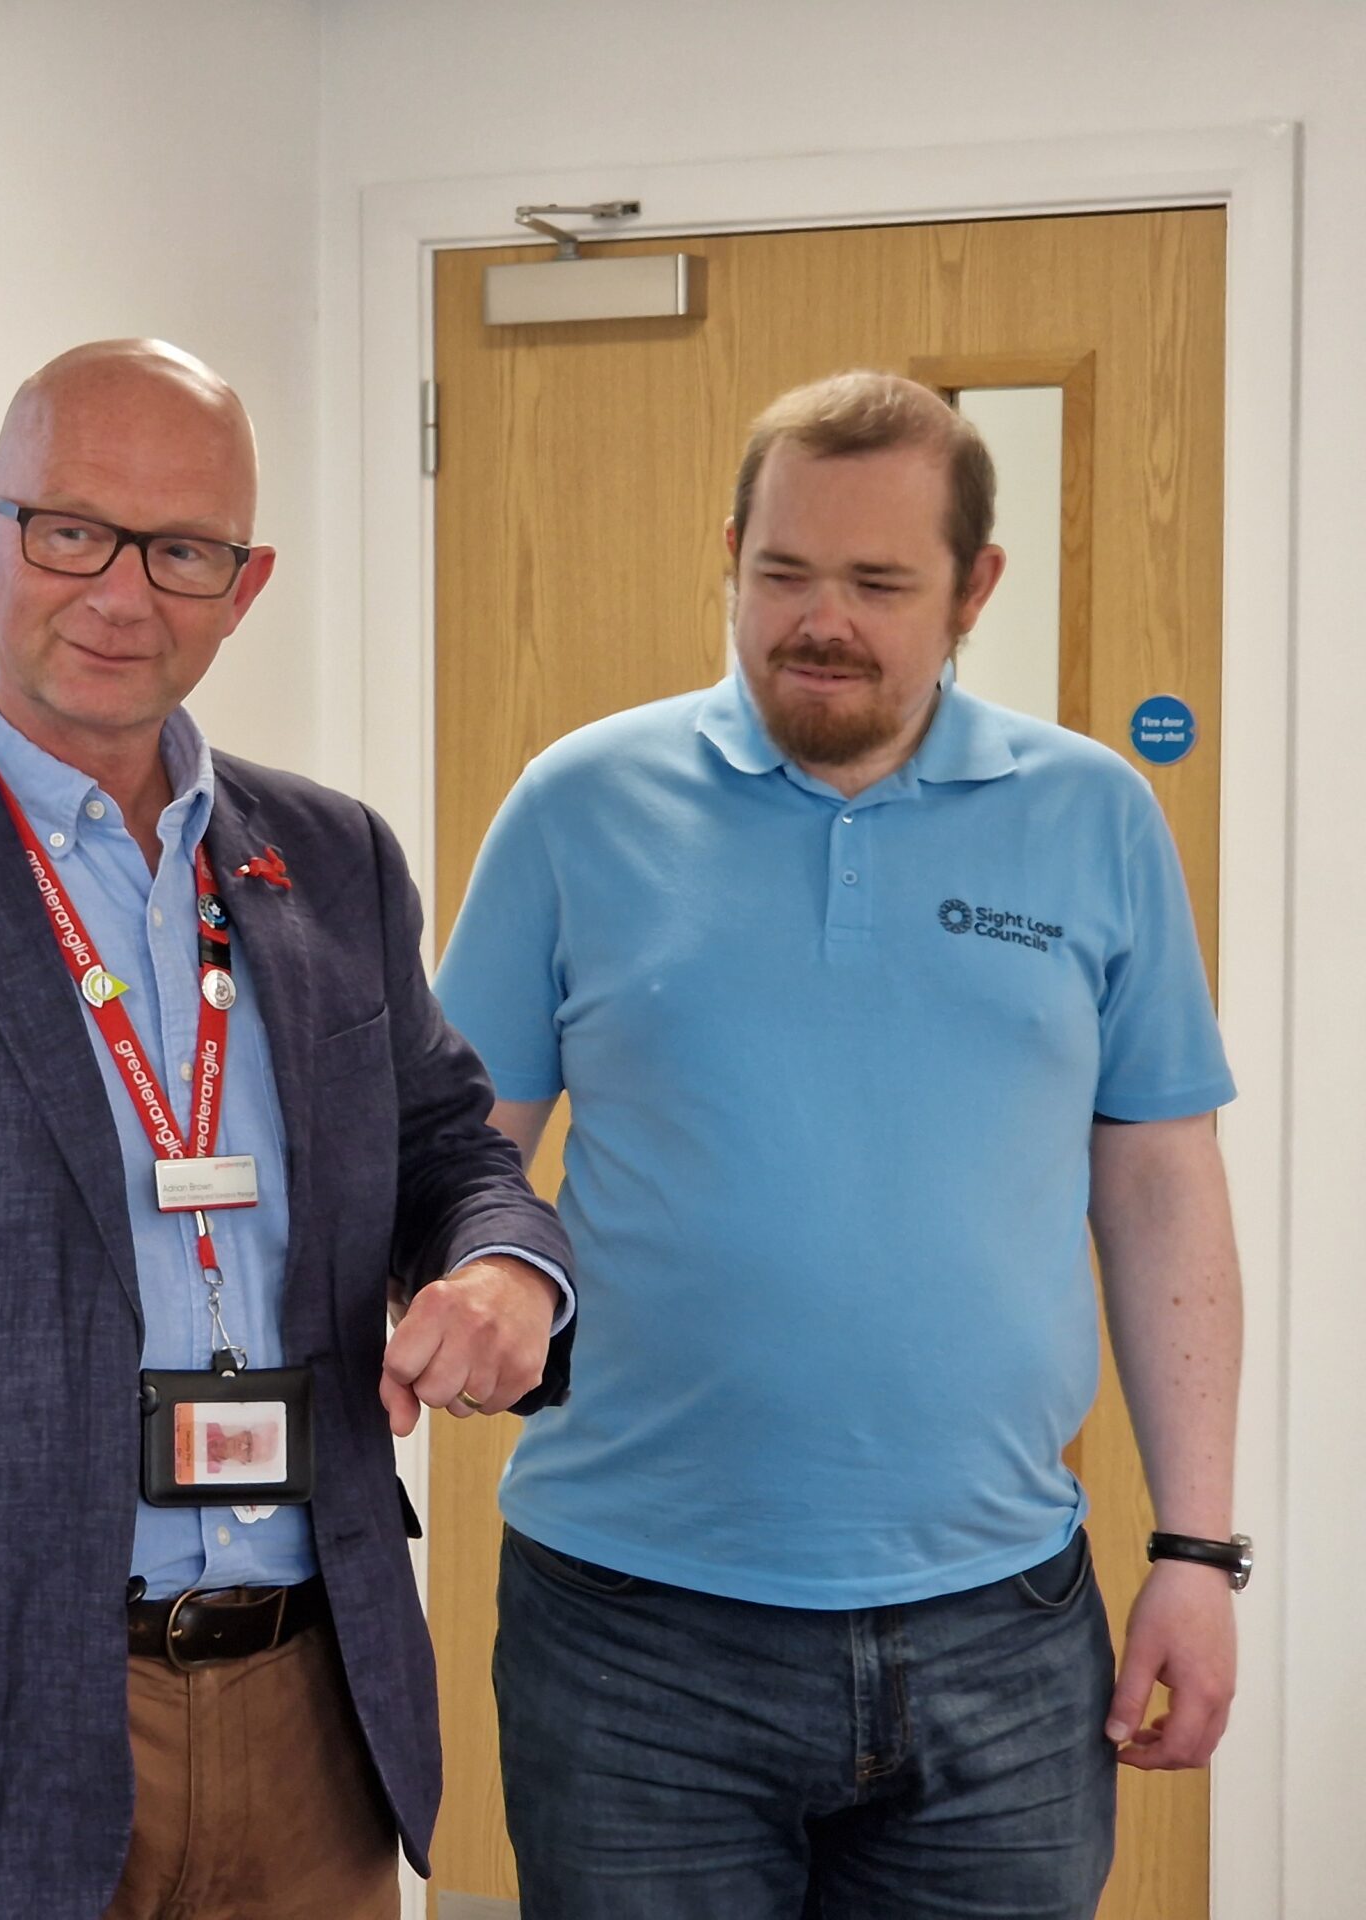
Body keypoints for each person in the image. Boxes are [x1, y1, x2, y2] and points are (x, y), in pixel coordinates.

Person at [0, 340, 575, 1920]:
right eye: (69, 530)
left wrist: (507, 1271)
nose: (121, 593)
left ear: (245, 582)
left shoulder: (331, 860)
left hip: (311, 1709)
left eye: (182, 550)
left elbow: (450, 1148)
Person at [436, 370, 1245, 1919]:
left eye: (880, 584)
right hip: (633, 1641)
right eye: (783, 573)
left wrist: (1200, 1551)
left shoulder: (1095, 817)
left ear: (973, 588)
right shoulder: (577, 805)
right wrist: (487, 1273)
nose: (824, 621)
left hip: (1001, 1636)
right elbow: (460, 1143)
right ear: (731, 553)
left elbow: (1161, 1190)